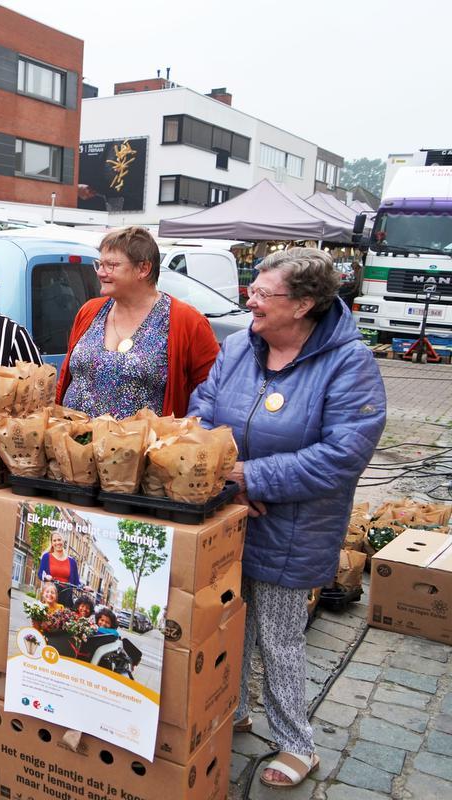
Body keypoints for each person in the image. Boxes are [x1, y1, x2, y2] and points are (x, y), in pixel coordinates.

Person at [189, 247, 385, 789]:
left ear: (302, 304)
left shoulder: (349, 362)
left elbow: (345, 453)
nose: (248, 298)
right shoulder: (237, 346)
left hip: (294, 522)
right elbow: (201, 410)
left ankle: (297, 743)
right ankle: (234, 708)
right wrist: (221, 478)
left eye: (262, 292)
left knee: (278, 634)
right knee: (229, 622)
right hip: (230, 512)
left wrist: (251, 477)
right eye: (251, 287)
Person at [56, 226, 219, 418]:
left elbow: (212, 394)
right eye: (99, 264)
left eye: (111, 265)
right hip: (74, 444)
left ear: (143, 268)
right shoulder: (90, 311)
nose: (100, 272)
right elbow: (67, 378)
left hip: (143, 447)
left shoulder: (187, 321)